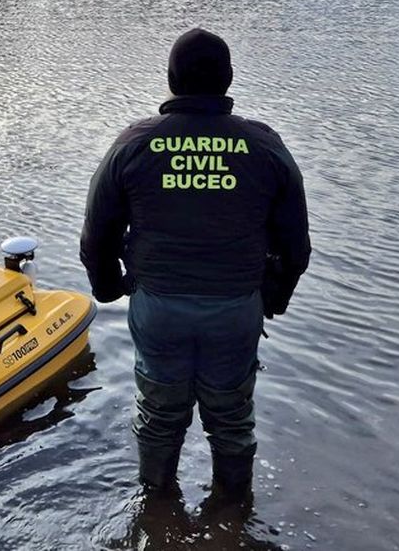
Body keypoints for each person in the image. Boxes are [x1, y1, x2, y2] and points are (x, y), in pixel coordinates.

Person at [79, 28, 311, 499]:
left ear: (170, 80)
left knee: (160, 416)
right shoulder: (262, 145)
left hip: (158, 307)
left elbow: (95, 237)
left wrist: (108, 288)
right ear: (228, 80)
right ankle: (232, 510)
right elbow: (296, 247)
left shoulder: (135, 144)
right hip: (235, 308)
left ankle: (155, 505)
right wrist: (273, 299)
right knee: (231, 420)